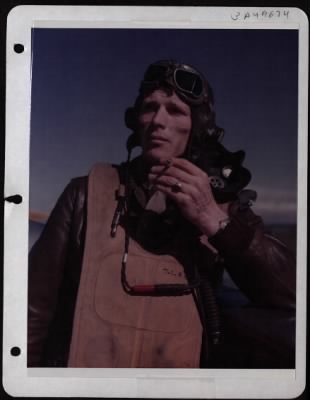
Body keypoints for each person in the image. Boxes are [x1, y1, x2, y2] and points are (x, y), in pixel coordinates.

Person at [28, 60, 296, 368]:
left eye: (176, 111)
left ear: (198, 126)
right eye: (149, 107)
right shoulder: (85, 193)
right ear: (136, 121)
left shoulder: (221, 204)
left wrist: (214, 219)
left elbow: (290, 292)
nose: (158, 120)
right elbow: (33, 311)